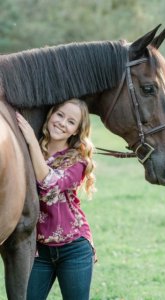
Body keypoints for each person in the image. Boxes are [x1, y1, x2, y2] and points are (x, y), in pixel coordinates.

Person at [16, 98, 96, 300]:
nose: (62, 122)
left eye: (71, 121)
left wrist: (32, 142)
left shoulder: (77, 160)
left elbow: (49, 184)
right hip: (39, 250)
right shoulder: (28, 152)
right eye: (60, 114)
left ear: (76, 131)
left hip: (74, 249)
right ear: (50, 114)